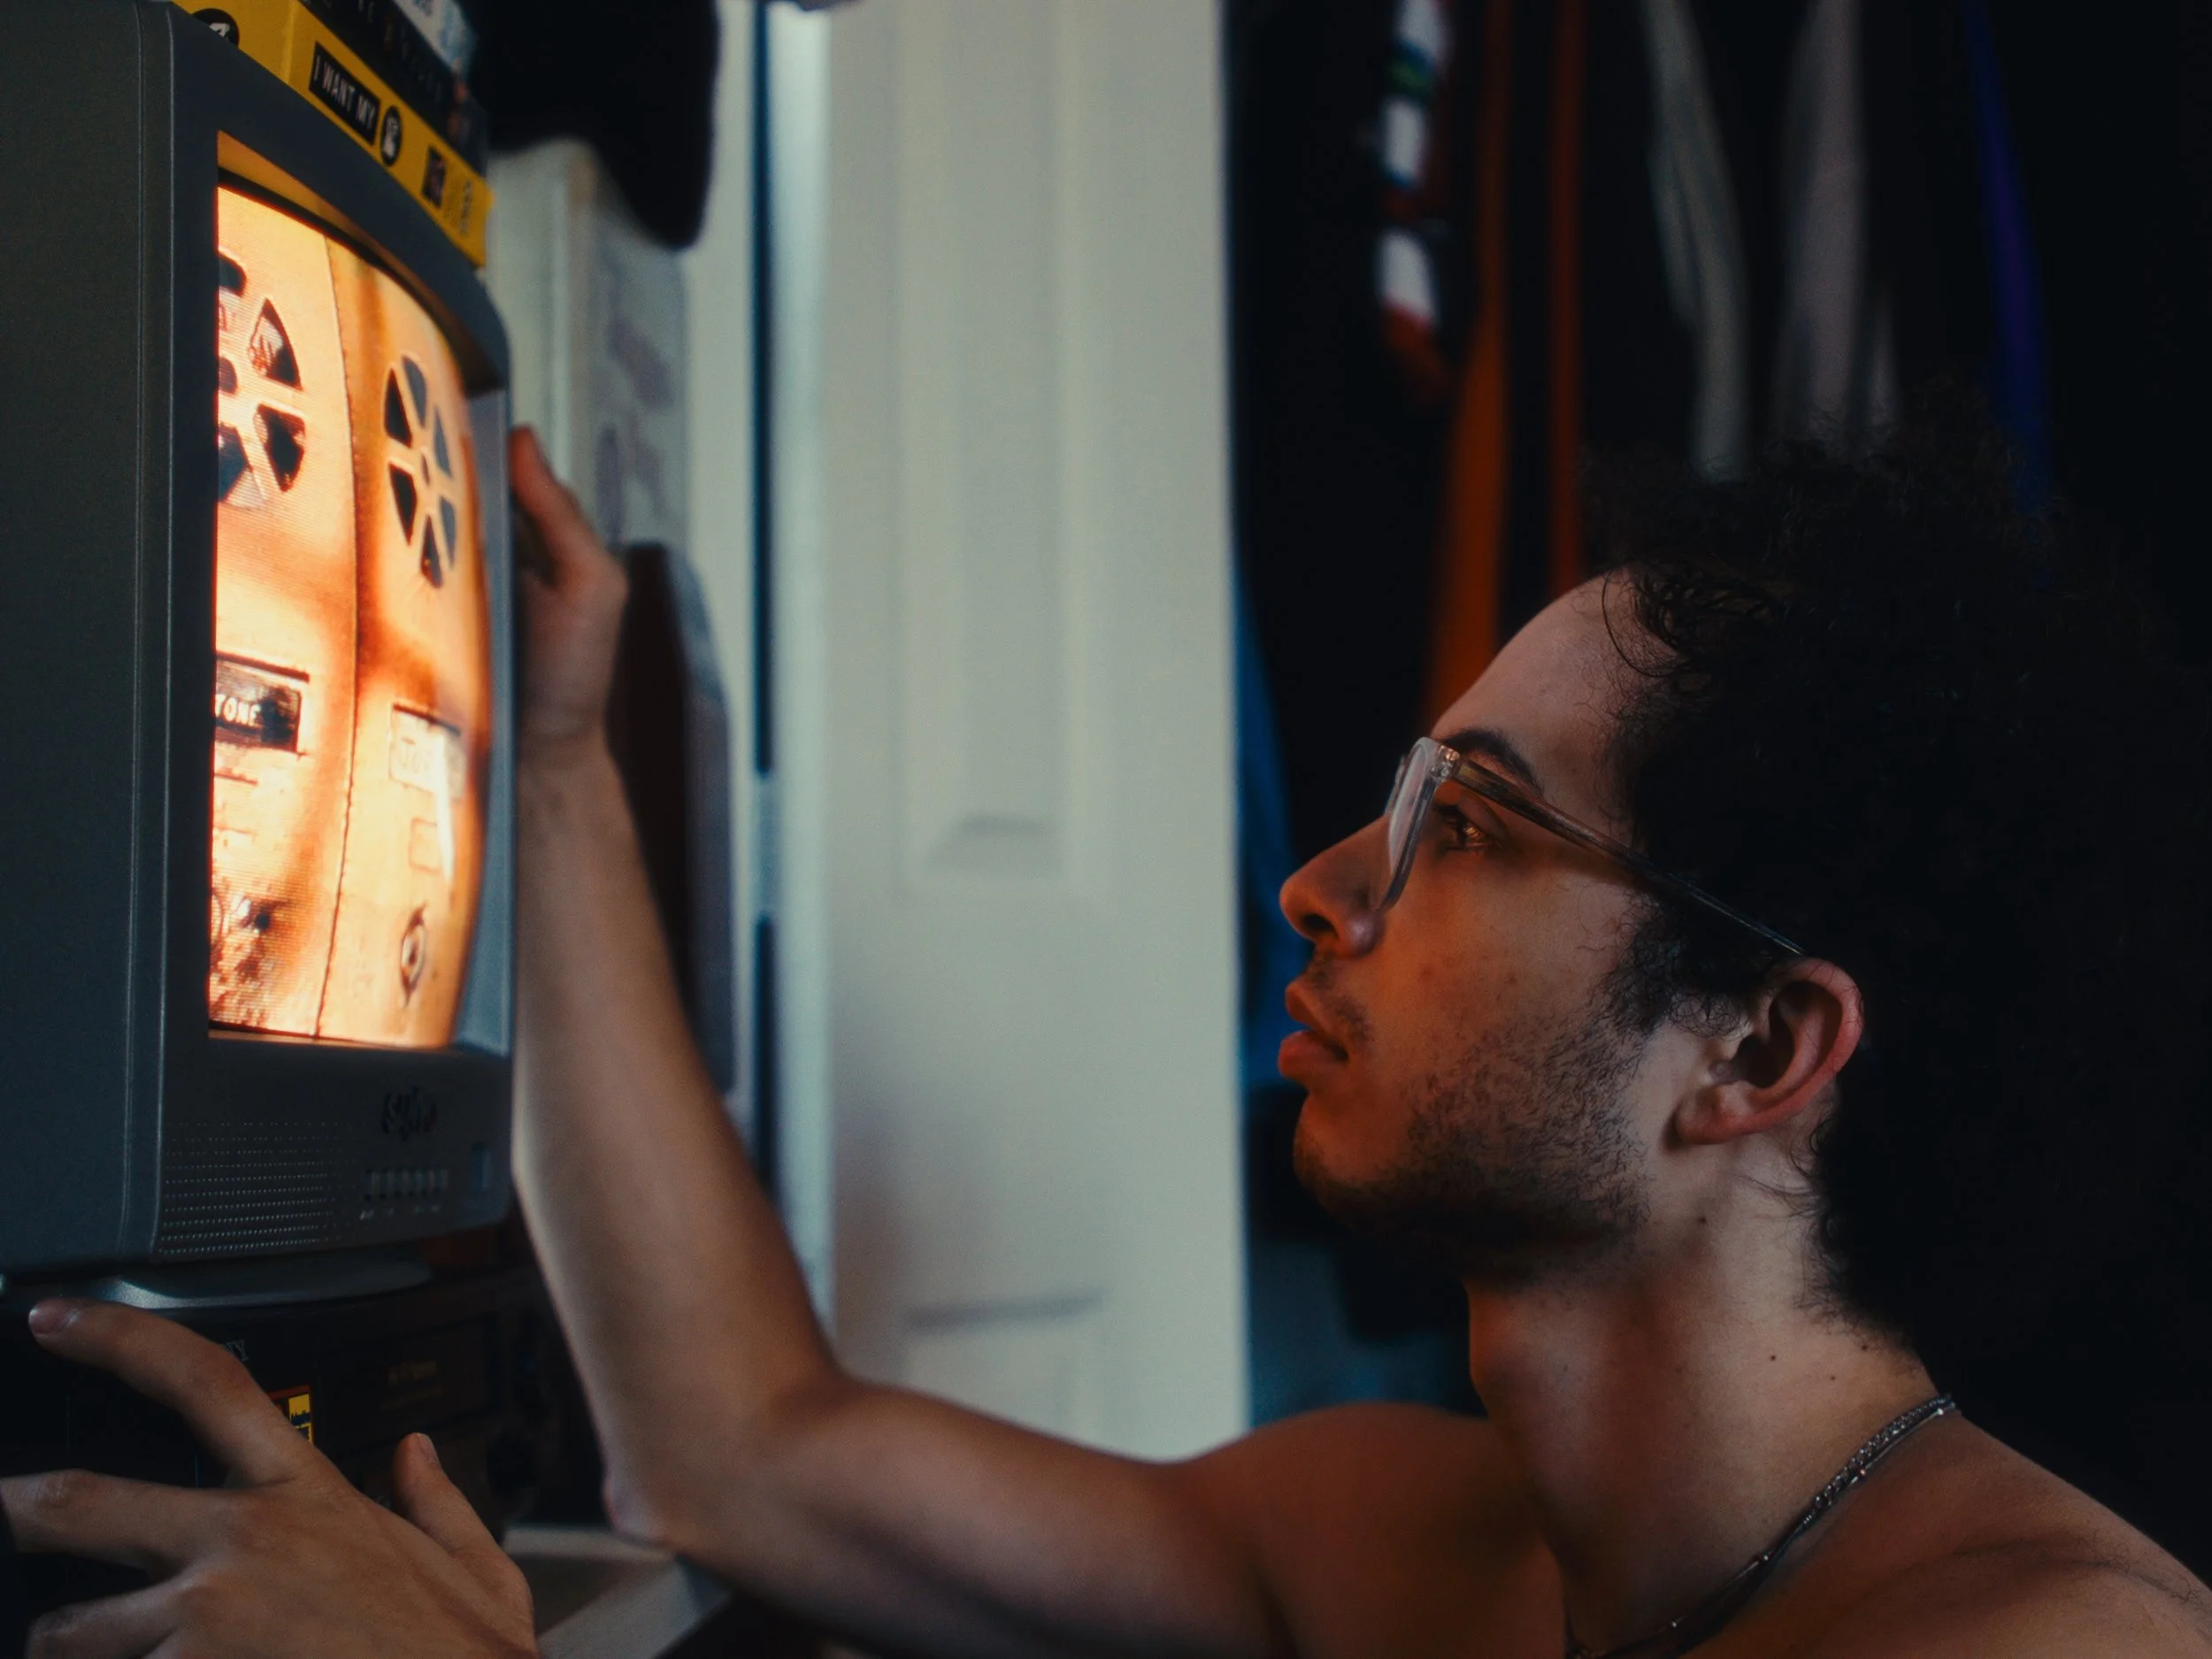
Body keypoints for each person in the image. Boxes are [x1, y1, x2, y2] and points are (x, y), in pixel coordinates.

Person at [8, 411, 2212, 1658]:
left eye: (1463, 824)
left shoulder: (2047, 1650)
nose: (1318, 885)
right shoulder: (1422, 1541)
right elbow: (741, 1448)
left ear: (1751, 1048)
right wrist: (563, 761)